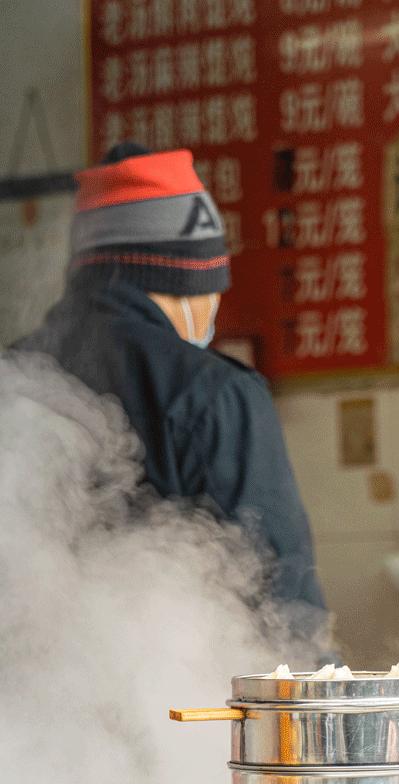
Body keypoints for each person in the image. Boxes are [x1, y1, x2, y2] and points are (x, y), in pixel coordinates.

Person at [16, 143, 324, 610]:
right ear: (187, 280)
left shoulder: (15, 378)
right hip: (188, 658)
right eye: (215, 287)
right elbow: (282, 598)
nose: (215, 304)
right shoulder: (215, 396)